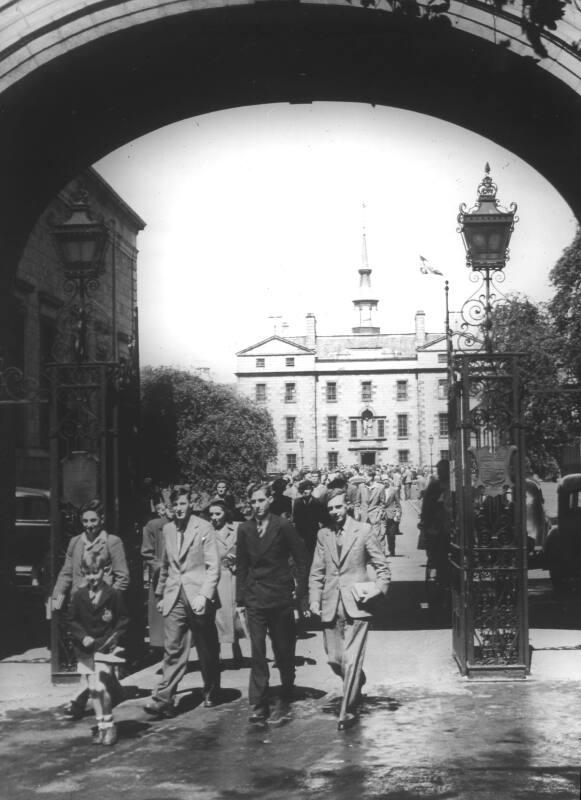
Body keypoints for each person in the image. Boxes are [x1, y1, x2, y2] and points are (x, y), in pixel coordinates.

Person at [309, 489, 391, 730]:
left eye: (339, 507)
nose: (335, 512)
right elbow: (317, 571)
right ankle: (357, 681)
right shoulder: (323, 534)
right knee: (335, 660)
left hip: (358, 605)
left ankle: (348, 712)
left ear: (348, 506)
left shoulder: (364, 531)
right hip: (331, 604)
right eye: (331, 509)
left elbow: (382, 567)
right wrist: (314, 598)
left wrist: (378, 589)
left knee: (352, 659)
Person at [236, 483, 309, 724]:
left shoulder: (283, 525)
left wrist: (301, 592)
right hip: (255, 597)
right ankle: (258, 703)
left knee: (283, 647)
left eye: (260, 500)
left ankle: (287, 685)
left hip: (280, 597)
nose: (256, 506)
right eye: (253, 502)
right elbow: (242, 566)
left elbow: (300, 557)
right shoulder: (245, 529)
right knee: (258, 651)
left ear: (270, 500)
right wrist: (240, 599)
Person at [144, 487, 221, 718]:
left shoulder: (203, 527)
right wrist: (160, 595)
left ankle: (211, 689)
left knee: (206, 648)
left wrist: (204, 595)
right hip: (174, 596)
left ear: (190, 505)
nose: (178, 509)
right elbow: (166, 565)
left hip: (198, 596)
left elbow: (213, 566)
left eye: (183, 504)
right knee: (173, 648)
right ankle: (164, 699)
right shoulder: (167, 529)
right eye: (175, 505)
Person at [52, 498, 130, 720]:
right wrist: (57, 598)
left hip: (103, 612)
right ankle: (118, 692)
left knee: (95, 658)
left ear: (102, 520)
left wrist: (109, 602)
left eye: (93, 520)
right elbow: (67, 573)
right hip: (81, 610)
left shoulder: (112, 542)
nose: (89, 525)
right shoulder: (75, 542)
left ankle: (78, 701)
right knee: (91, 657)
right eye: (85, 520)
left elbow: (123, 577)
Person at [68, 551, 129, 746]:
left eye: (96, 572)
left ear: (105, 570)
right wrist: (82, 636)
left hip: (105, 648)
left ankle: (110, 725)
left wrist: (113, 639)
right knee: (93, 689)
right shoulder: (78, 596)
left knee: (100, 686)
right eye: (88, 573)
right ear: (83, 573)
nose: (92, 577)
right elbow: (72, 621)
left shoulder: (113, 595)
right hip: (85, 650)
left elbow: (123, 620)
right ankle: (101, 727)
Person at [207, 499, 244, 664]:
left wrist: (239, 561)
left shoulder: (237, 527)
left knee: (236, 612)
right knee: (218, 614)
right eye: (211, 514)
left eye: (218, 513)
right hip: (217, 576)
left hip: (234, 575)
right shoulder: (206, 530)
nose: (214, 517)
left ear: (226, 513)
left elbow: (246, 547)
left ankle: (237, 649)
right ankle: (218, 652)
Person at [141, 501, 169, 651]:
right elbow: (147, 553)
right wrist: (160, 566)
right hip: (161, 577)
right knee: (161, 616)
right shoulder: (154, 526)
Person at [292, 479, 326, 565]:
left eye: (307, 489)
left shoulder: (317, 502)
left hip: (313, 532)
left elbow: (321, 518)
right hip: (301, 532)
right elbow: (295, 518)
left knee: (313, 554)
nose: (305, 491)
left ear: (311, 490)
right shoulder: (297, 502)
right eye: (303, 489)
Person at [384, 482, 402, 557]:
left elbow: (398, 503)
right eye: (383, 480)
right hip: (380, 514)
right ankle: (380, 552)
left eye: (386, 480)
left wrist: (398, 513)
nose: (385, 481)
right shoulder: (378, 489)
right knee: (379, 534)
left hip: (391, 514)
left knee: (391, 534)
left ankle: (392, 550)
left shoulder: (393, 491)